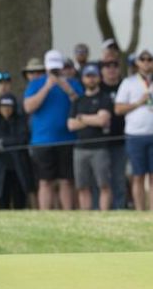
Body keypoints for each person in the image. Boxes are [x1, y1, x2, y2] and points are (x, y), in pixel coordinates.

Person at [24, 50, 84, 210]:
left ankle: (67, 212)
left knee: (66, 180)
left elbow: (81, 103)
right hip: (42, 141)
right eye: (52, 70)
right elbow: (28, 107)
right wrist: (46, 87)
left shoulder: (72, 83)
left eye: (58, 69)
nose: (55, 73)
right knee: (45, 181)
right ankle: (45, 214)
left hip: (67, 139)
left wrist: (67, 88)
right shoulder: (36, 83)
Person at [115, 49, 153, 211]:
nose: (146, 62)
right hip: (135, 135)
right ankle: (140, 211)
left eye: (149, 59)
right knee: (138, 175)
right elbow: (118, 109)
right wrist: (138, 103)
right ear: (137, 63)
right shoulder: (128, 83)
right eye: (143, 59)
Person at [67, 63, 113, 211]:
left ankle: (104, 213)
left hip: (99, 148)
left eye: (94, 76)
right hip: (80, 148)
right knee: (82, 186)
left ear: (99, 78)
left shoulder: (104, 98)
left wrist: (81, 118)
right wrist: (91, 119)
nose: (91, 79)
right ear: (83, 79)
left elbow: (103, 120)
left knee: (104, 184)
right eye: (88, 76)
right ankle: (86, 214)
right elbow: (71, 125)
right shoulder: (78, 101)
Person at [0, 93, 33, 209]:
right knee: (2, 201)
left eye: (9, 106)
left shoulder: (20, 121)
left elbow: (23, 139)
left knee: (19, 200)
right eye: (3, 106)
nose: (6, 109)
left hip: (18, 166)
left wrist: (3, 142)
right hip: (0, 167)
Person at [99, 58, 128, 210]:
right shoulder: (97, 87)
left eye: (115, 66)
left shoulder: (125, 85)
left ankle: (120, 208)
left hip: (121, 140)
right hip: (100, 142)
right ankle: (101, 209)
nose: (111, 69)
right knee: (102, 180)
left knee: (119, 178)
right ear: (102, 70)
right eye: (107, 66)